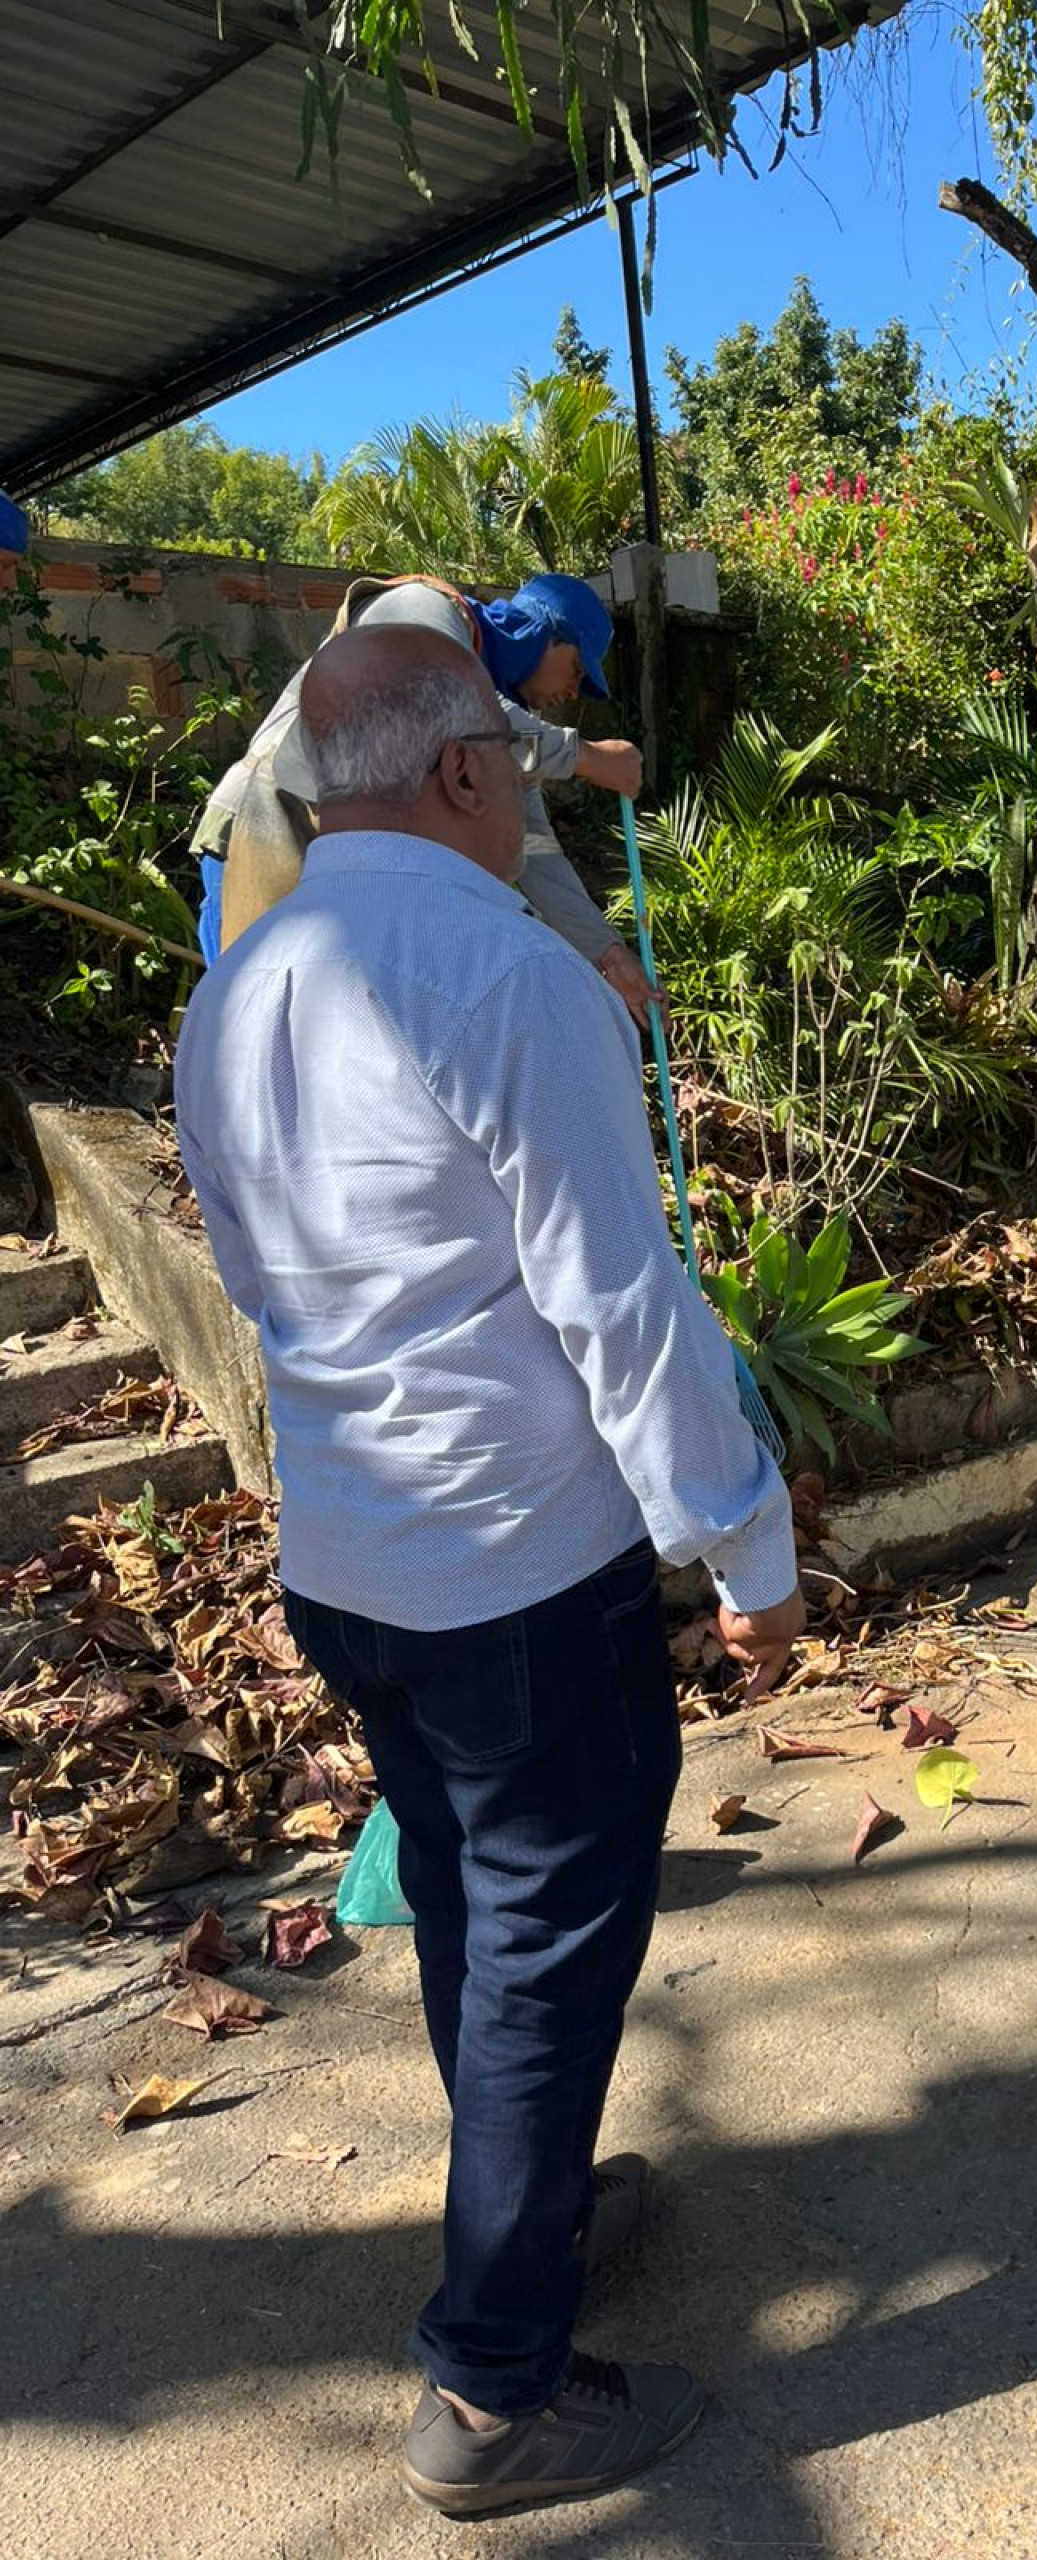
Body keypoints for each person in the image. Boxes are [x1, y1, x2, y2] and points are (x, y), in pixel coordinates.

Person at [173, 619, 806, 2515]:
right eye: (514, 774)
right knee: (542, 1944)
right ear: (459, 774)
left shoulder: (239, 990)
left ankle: (521, 2216)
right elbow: (624, 1302)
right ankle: (494, 2388)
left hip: (356, 1561)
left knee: (468, 1899)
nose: (523, 799)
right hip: (517, 1567)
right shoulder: (513, 981)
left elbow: (255, 1281)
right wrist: (748, 1548)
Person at [194, 568, 661, 1023]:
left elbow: (534, 850)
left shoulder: (497, 734)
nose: (571, 692)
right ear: (544, 634)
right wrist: (586, 756)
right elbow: (446, 706)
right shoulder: (423, 608)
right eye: (577, 671)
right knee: (249, 1035)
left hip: (329, 864)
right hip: (262, 831)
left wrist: (608, 952)